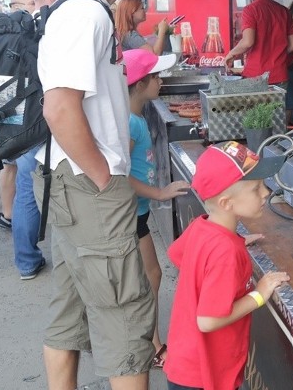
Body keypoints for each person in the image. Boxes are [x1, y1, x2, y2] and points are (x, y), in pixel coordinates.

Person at [36, 0, 155, 390]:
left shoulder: (92, 13)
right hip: (89, 189)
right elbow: (59, 109)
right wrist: (105, 177)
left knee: (69, 312)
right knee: (125, 318)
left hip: (72, 186)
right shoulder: (84, 15)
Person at [164, 141, 291, 390]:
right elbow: (208, 321)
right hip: (203, 375)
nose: (266, 193)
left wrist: (237, 241)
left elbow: (175, 254)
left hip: (185, 362)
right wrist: (259, 294)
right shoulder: (226, 252)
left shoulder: (202, 226)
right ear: (226, 203)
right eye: (255, 189)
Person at [124, 48, 190, 368]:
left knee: (148, 274)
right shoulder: (130, 124)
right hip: (130, 213)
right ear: (139, 83)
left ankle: (146, 339)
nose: (161, 81)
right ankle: (151, 343)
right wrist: (160, 193)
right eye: (156, 76)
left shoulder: (134, 116)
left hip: (137, 212)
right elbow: (118, 177)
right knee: (149, 274)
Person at [11, 0, 71, 280]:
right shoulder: (50, 25)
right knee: (53, 185)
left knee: (24, 189)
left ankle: (26, 262)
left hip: (18, 118)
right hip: (42, 117)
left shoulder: (17, 26)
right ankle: (66, 259)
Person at [0, 0, 38, 231]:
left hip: (1, 93)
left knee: (8, 161)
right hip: (11, 95)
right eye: (32, 2)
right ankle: (11, 214)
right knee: (15, 160)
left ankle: (9, 212)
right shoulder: (18, 26)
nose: (35, 6)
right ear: (18, 5)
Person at [223, 0, 293, 85]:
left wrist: (231, 54)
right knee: (278, 103)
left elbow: (248, 42)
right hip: (279, 75)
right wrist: (277, 53)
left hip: (256, 76)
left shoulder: (250, 10)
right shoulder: (284, 11)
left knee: (256, 104)